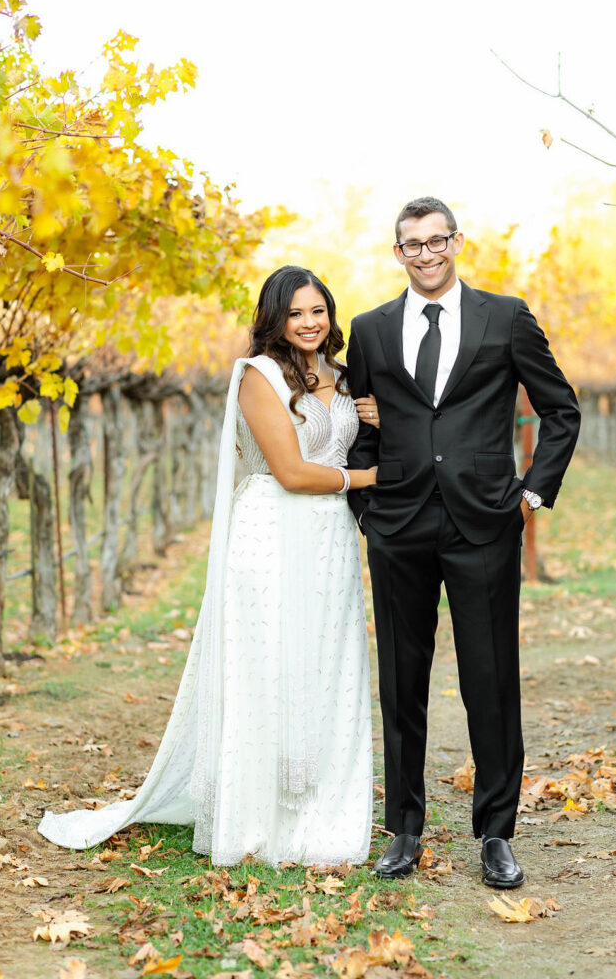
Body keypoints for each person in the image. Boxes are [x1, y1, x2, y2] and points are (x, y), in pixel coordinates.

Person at [39, 265, 379, 867]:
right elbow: (293, 472)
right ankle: (256, 819)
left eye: (318, 311)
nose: (309, 323)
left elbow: (349, 438)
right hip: (273, 531)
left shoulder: (346, 378)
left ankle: (317, 809)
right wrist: (367, 476)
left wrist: (372, 418)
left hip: (329, 538)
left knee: (326, 664)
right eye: (295, 313)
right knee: (270, 665)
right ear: (275, 319)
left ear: (331, 315)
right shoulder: (258, 375)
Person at [346, 197, 581, 887]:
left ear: (456, 242)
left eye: (435, 241)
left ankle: (496, 834)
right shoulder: (369, 330)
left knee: (490, 681)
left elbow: (559, 408)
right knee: (400, 681)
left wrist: (531, 494)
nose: (424, 253)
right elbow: (362, 426)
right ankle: (405, 829)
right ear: (397, 253)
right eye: (410, 244)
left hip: (483, 523)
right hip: (398, 524)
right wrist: (368, 508)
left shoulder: (504, 317)